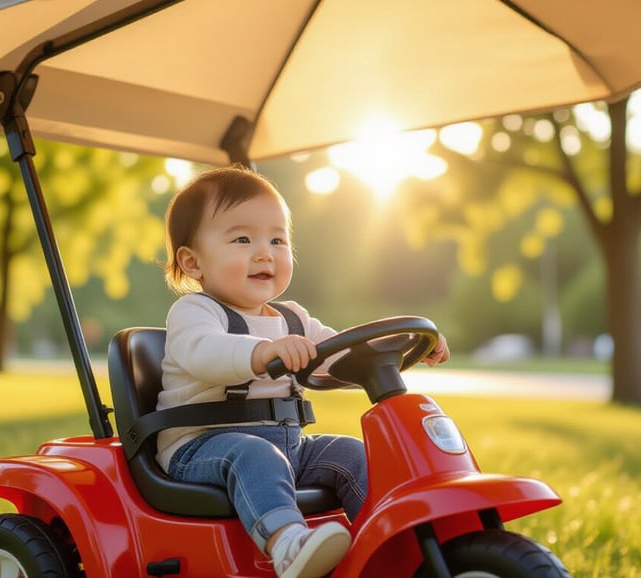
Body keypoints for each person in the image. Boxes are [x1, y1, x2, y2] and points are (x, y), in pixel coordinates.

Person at [157, 165, 450, 578]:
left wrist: (404, 347)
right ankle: (287, 545)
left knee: (351, 454)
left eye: (277, 240)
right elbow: (203, 353)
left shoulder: (293, 318)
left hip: (289, 446)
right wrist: (262, 352)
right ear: (192, 261)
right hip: (201, 448)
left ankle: (393, 540)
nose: (265, 253)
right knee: (255, 454)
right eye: (242, 239)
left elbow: (343, 354)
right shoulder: (195, 312)